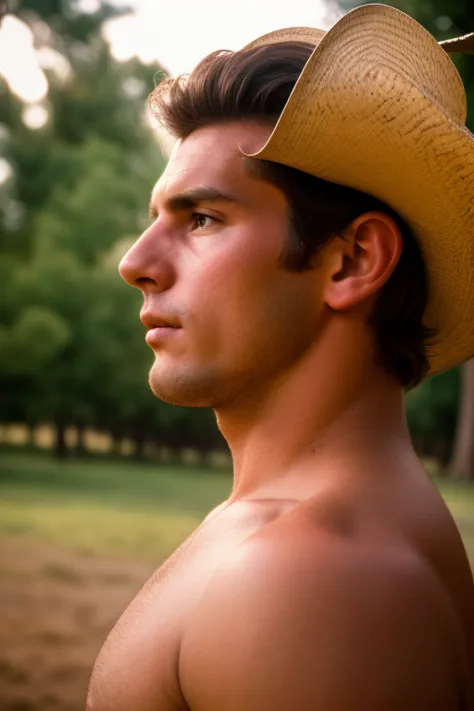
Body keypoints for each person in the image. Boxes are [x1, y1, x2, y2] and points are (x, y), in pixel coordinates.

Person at [86, 4, 474, 710]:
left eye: (202, 218)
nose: (136, 263)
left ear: (352, 260)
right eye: (156, 219)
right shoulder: (307, 539)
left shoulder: (312, 578)